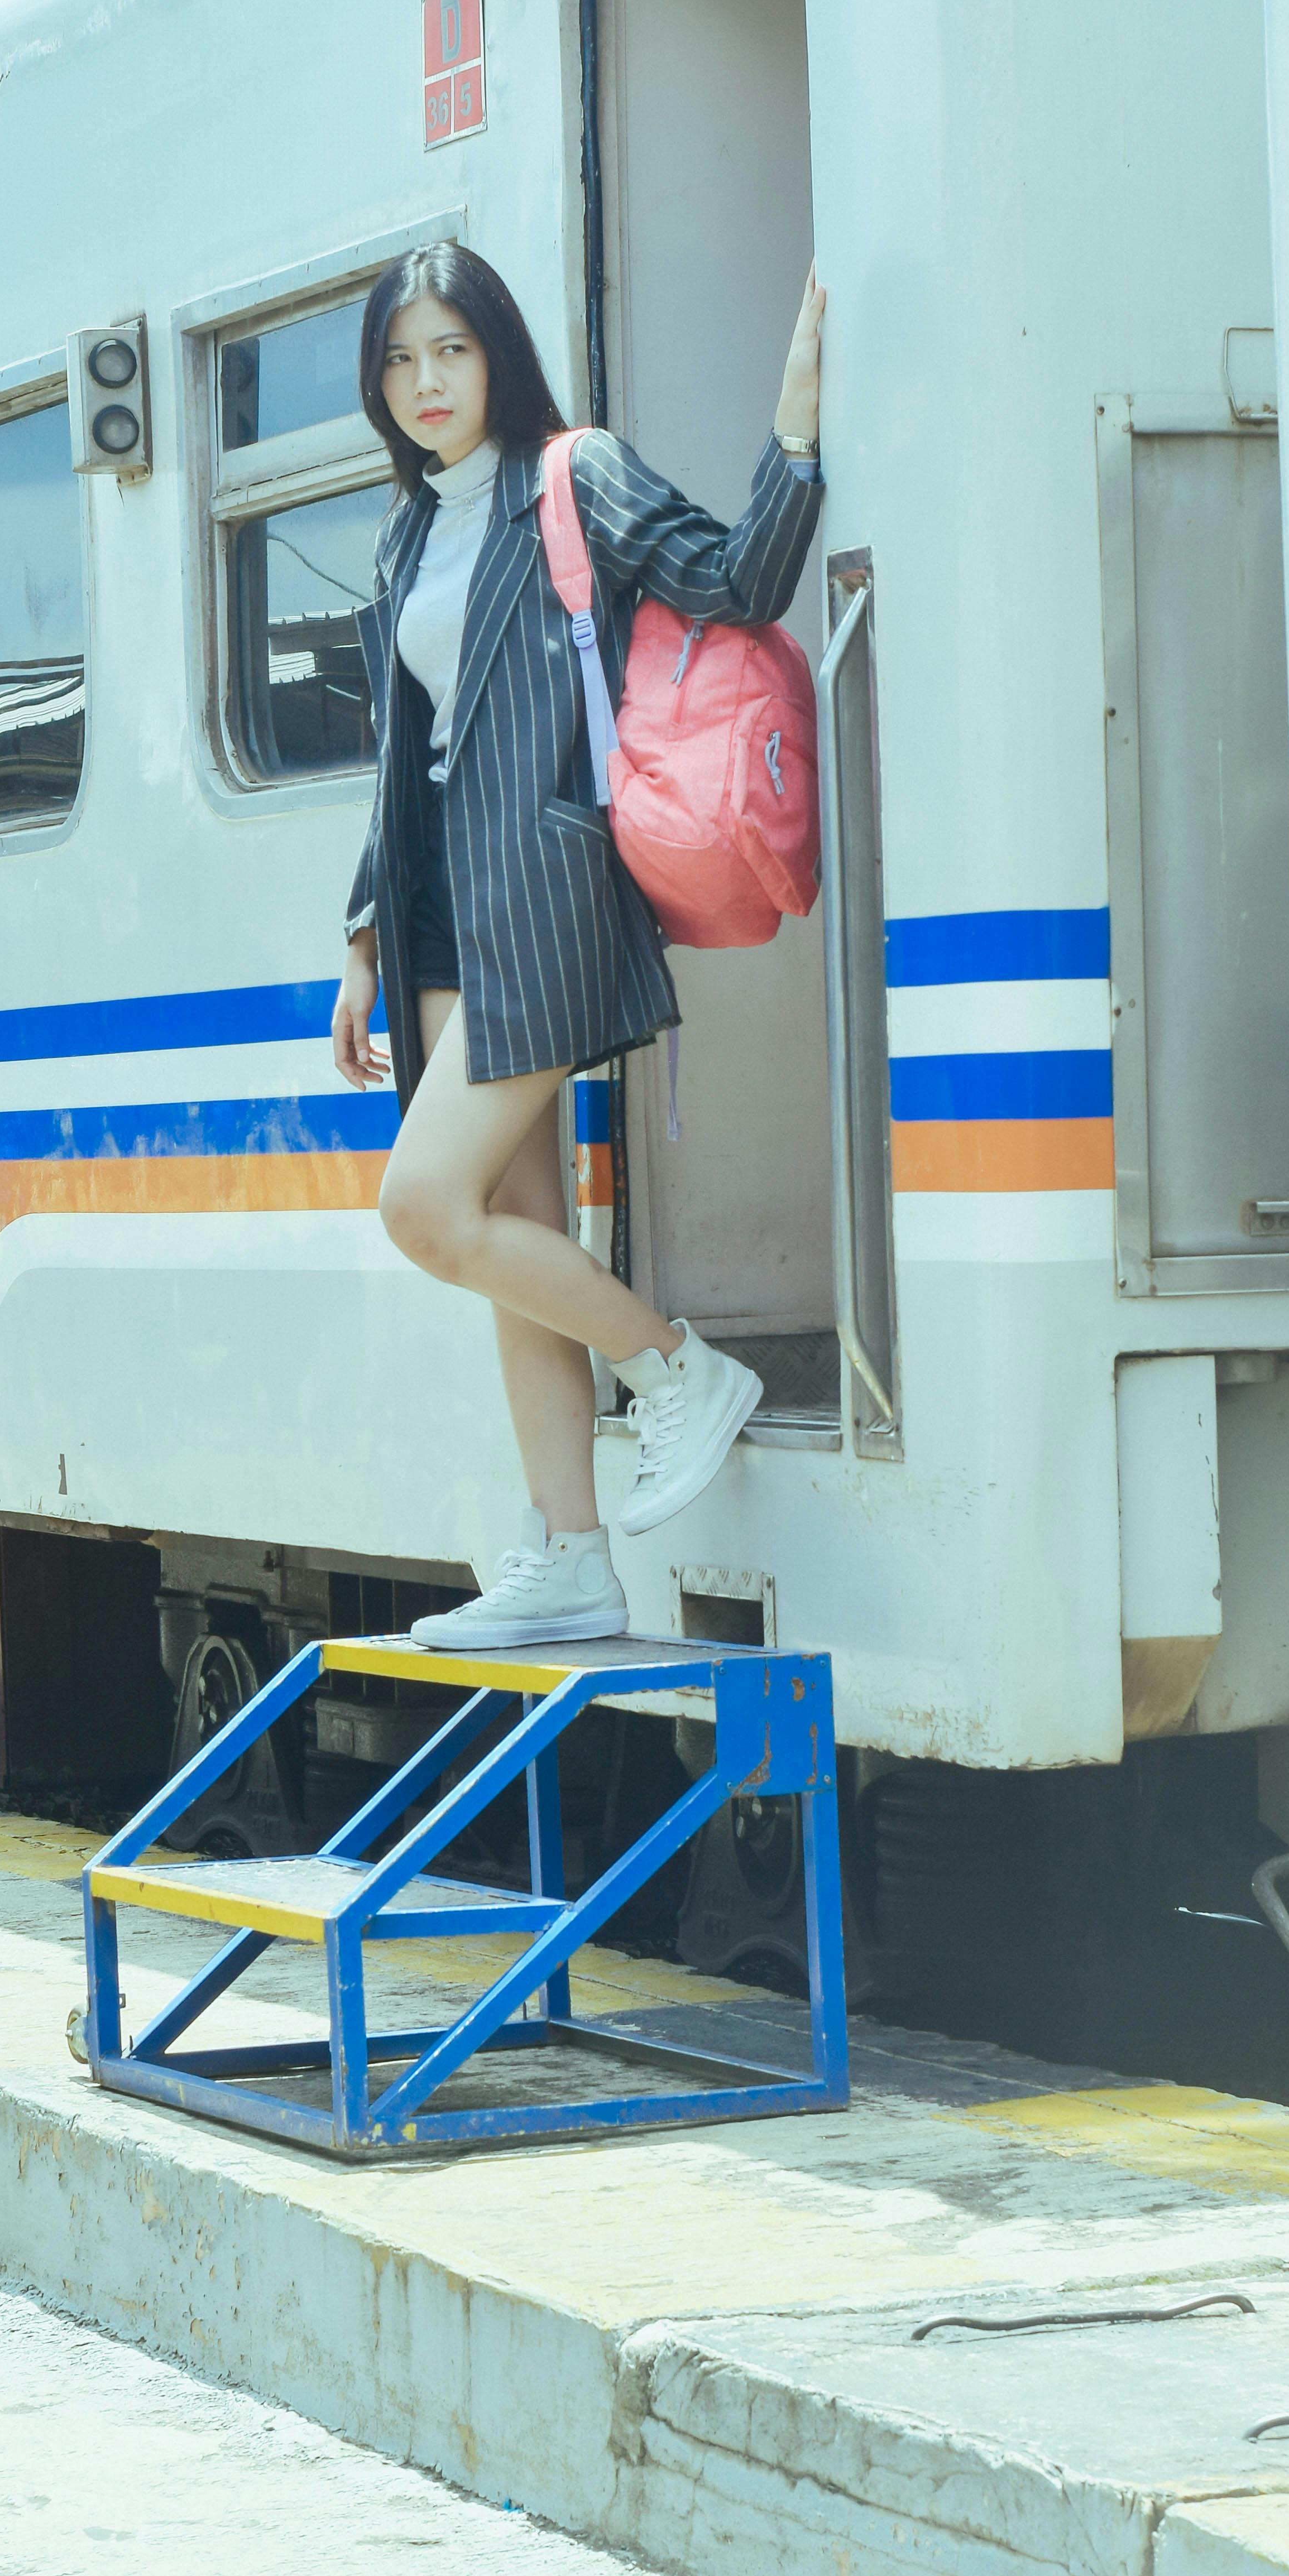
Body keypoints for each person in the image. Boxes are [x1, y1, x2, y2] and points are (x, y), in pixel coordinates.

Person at [331, 240, 826, 1651]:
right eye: (400, 361)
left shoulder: (573, 475)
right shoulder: (406, 529)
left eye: (451, 352)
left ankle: (673, 1372)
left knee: (425, 1210)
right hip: (437, 923)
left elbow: (735, 583)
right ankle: (569, 1554)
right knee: (515, 1234)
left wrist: (793, 427)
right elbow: (404, 755)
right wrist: (366, 937)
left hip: (541, 906)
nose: (427, 384)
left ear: (498, 354)